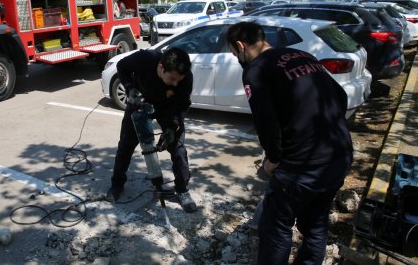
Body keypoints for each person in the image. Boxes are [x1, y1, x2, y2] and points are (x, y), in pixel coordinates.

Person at [226, 22, 352, 264]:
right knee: (315, 224)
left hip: (300, 168)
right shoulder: (303, 55)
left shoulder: (256, 69)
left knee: (275, 228)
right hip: (339, 154)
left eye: (234, 53)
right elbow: (340, 96)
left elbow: (266, 122)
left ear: (240, 46)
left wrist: (273, 158)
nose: (236, 58)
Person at [106, 47, 198, 213]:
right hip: (139, 103)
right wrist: (129, 88)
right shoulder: (145, 58)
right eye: (172, 79)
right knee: (125, 146)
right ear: (161, 67)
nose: (176, 83)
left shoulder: (185, 78)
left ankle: (182, 190)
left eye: (179, 80)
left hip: (168, 110)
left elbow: (183, 105)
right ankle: (117, 184)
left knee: (178, 150)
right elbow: (121, 66)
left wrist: (173, 126)